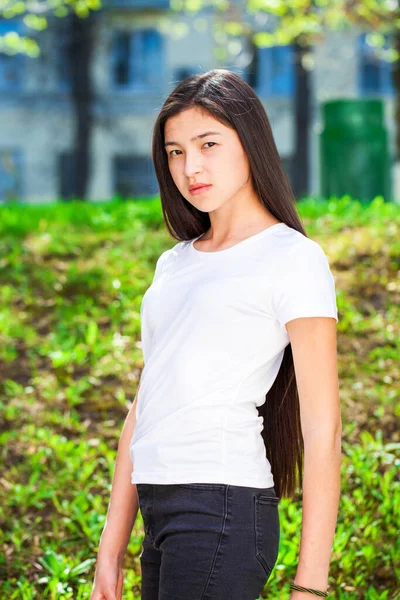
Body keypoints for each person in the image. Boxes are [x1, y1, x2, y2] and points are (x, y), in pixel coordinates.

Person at [90, 69, 341, 600]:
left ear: (250, 144)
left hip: (222, 510)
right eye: (175, 152)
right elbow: (145, 406)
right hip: (161, 511)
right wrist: (110, 550)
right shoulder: (174, 264)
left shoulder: (293, 259)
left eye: (208, 144)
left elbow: (323, 427)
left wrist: (311, 587)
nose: (191, 166)